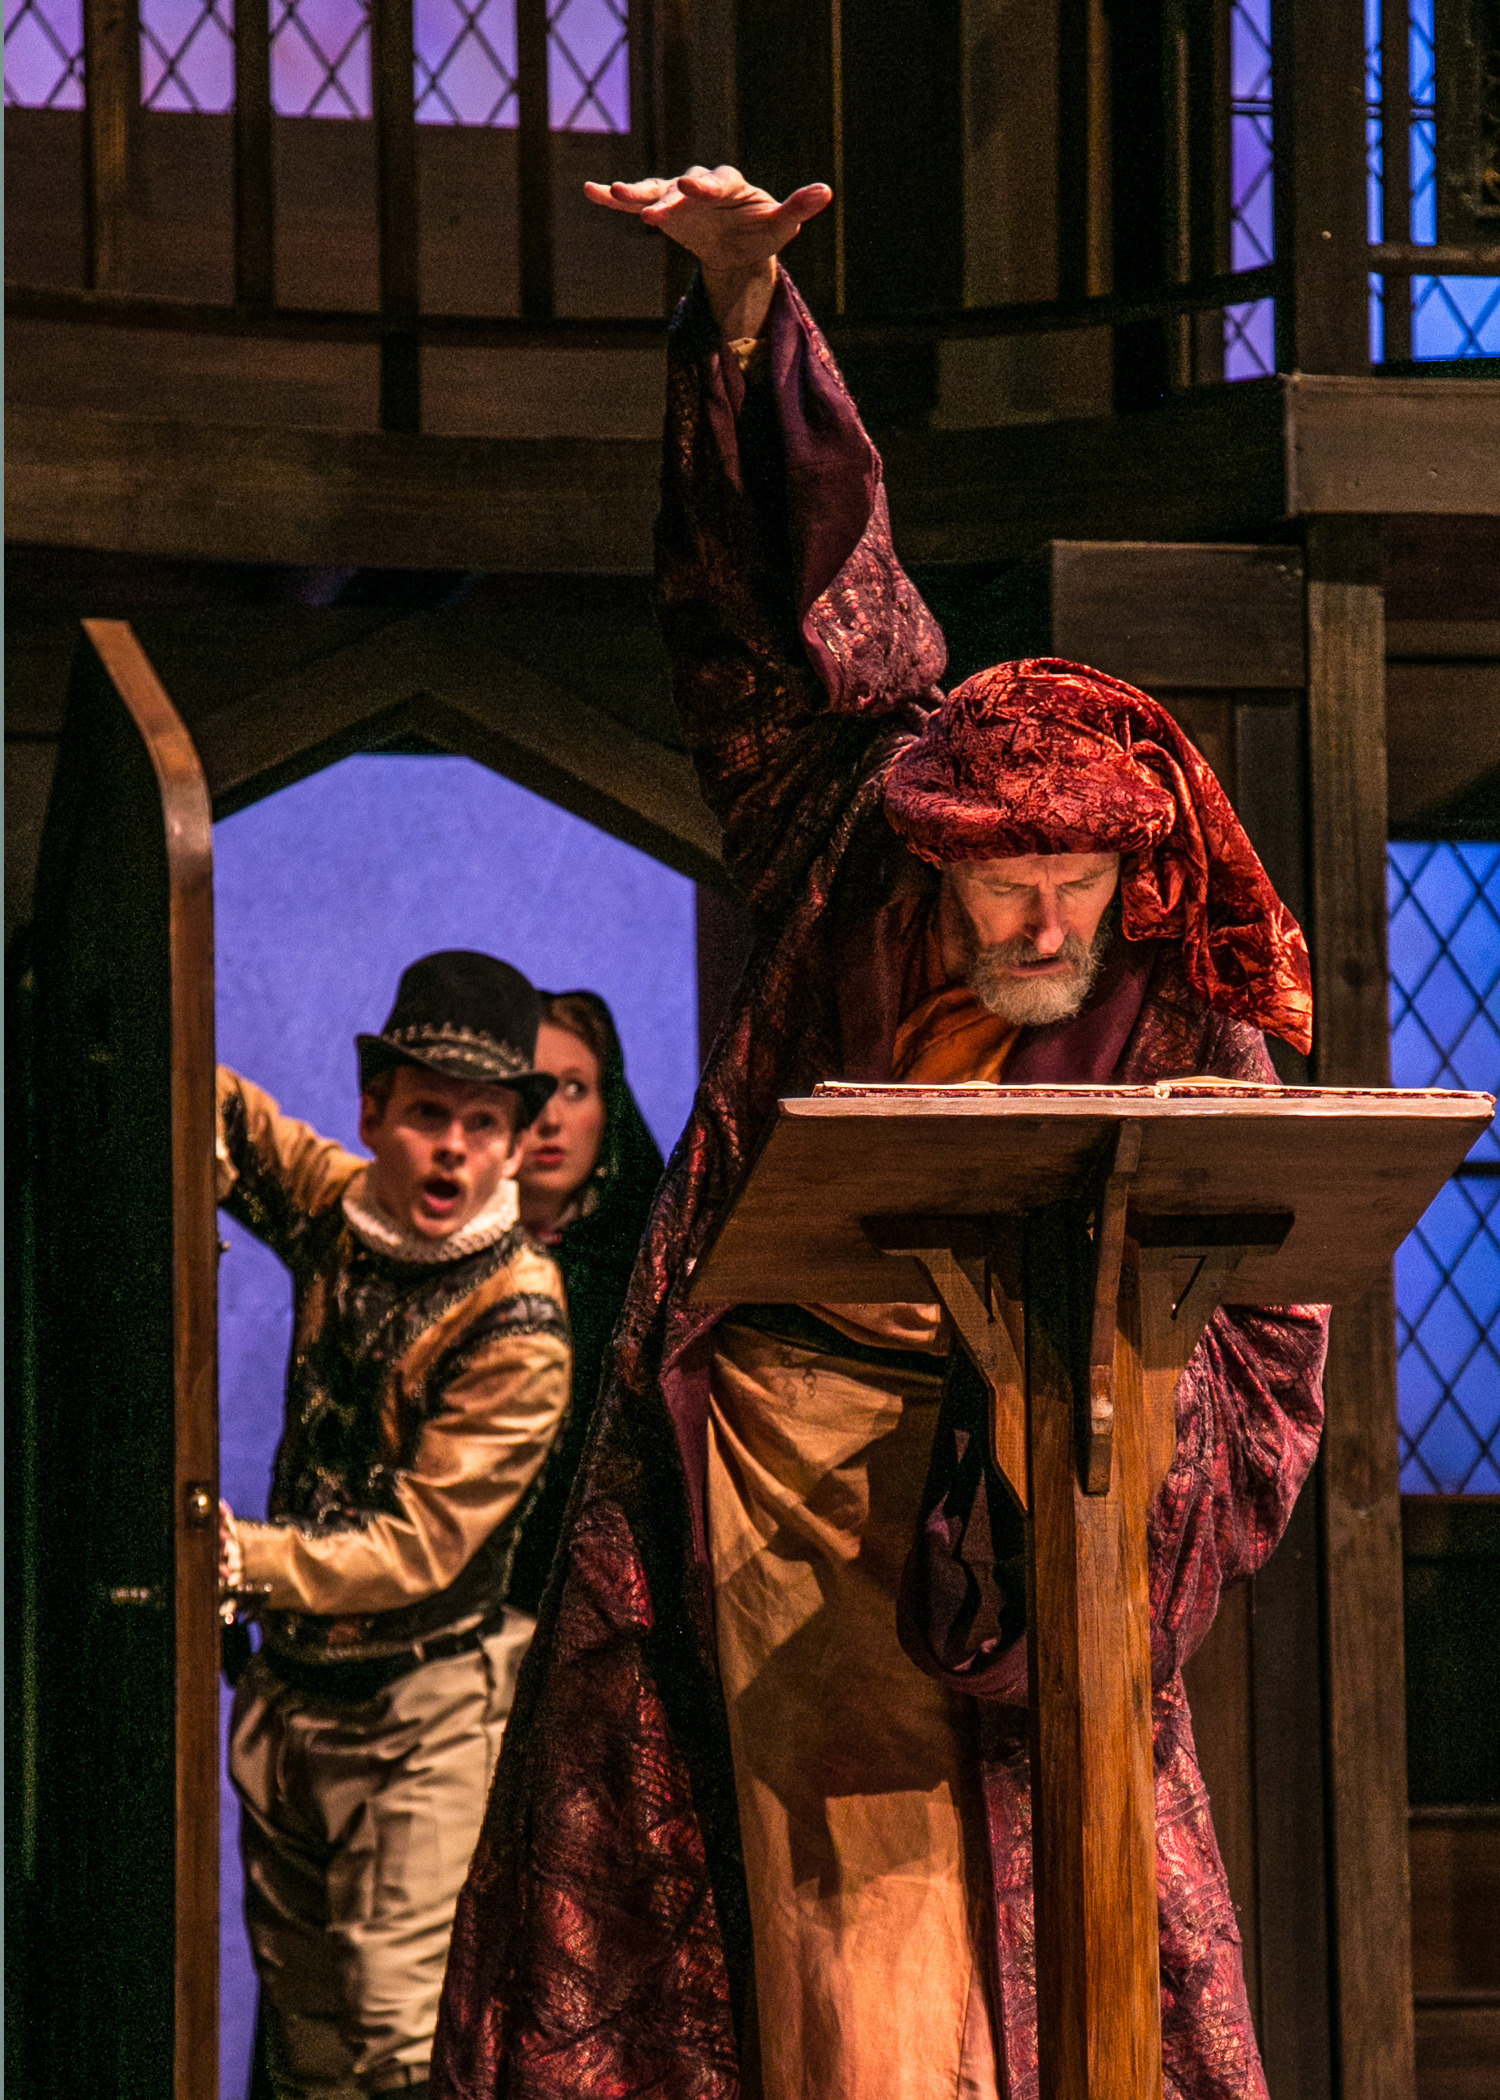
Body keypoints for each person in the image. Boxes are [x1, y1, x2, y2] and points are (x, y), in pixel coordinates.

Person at [432, 174, 1327, 2100]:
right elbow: (798, 608)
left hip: (1038, 1512)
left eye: (1075, 884)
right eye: (999, 882)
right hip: (785, 1469)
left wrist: (1115, 1438)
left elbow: (1267, 1342)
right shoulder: (854, 837)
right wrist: (750, 312)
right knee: (841, 1975)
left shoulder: (1186, 1010)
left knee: (1071, 1960)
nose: (1038, 924)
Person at [217, 951, 572, 2100]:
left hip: (421, 1714)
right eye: (427, 1115)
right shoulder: (342, 1208)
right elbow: (220, 1110)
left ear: (515, 1145)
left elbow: (421, 1544)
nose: (452, 1149)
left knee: (397, 2041)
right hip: (295, 1697)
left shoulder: (519, 1320)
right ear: (375, 1112)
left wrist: (242, 1558)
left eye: (483, 1123)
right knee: (307, 2038)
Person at [503, 991, 664, 1616]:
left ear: (609, 1104)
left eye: (575, 1089)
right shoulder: (439, 1268)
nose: (550, 1119)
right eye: (531, 1089)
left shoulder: (649, 1274)